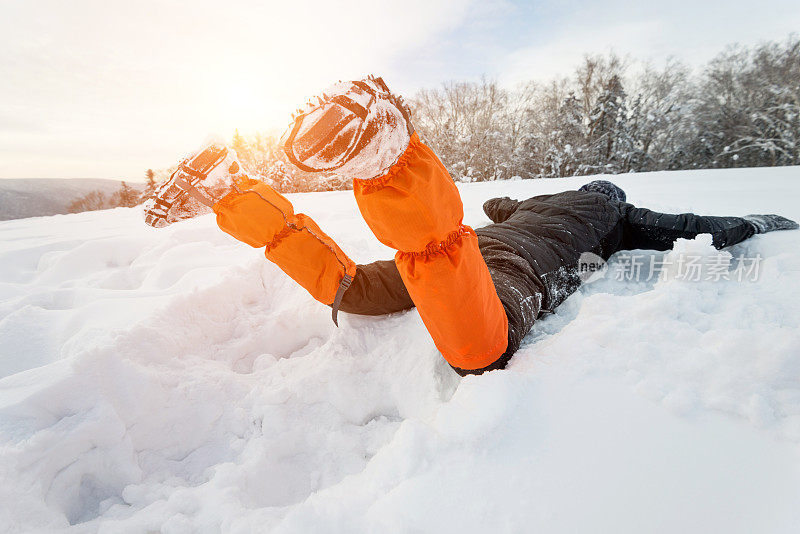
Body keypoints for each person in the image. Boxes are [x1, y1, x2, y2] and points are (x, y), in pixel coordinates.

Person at [143, 76, 798, 376]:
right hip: (509, 273)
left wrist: (507, 210)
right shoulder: (618, 217)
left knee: (348, 287)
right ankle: (390, 160)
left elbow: (496, 209)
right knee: (481, 349)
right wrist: (764, 221)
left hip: (473, 254)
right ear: (608, 198)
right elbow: (693, 225)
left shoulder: (541, 203)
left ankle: (233, 191)